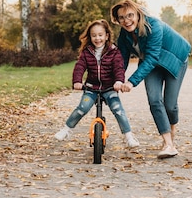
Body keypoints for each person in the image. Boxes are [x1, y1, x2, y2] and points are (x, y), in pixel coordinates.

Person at [110, 0, 191, 159]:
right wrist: (117, 79)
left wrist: (132, 81)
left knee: (170, 105)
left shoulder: (154, 25)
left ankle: (171, 130)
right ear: (118, 20)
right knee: (154, 100)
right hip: (152, 62)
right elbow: (122, 59)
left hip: (175, 60)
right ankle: (168, 144)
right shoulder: (124, 34)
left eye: (130, 15)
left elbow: (152, 57)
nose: (127, 21)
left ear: (138, 14)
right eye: (122, 18)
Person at [55, 19, 139, 148]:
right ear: (90, 37)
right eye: (94, 35)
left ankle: (128, 136)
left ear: (106, 36)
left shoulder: (114, 51)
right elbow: (80, 67)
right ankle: (66, 130)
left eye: (100, 35)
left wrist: (118, 81)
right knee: (82, 108)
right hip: (91, 87)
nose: (97, 38)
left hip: (110, 87)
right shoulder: (87, 52)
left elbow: (119, 68)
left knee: (118, 110)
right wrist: (77, 81)